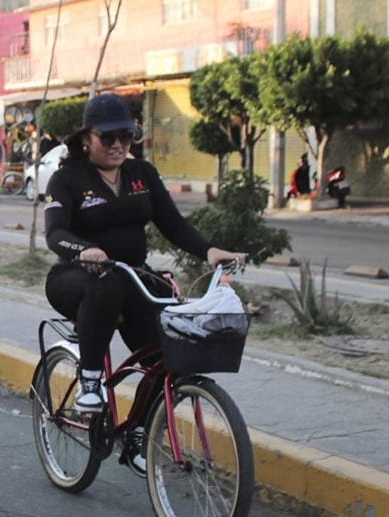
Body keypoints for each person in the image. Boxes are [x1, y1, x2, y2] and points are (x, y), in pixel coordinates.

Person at [43, 93, 244, 414]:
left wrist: (209, 251)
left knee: (163, 362)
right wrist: (86, 250)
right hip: (76, 279)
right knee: (106, 281)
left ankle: (139, 436)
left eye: (126, 135)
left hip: (134, 280)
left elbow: (173, 225)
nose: (118, 144)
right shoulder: (66, 179)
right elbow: (55, 233)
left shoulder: (142, 174)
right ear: (86, 138)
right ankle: (90, 381)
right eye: (107, 136)